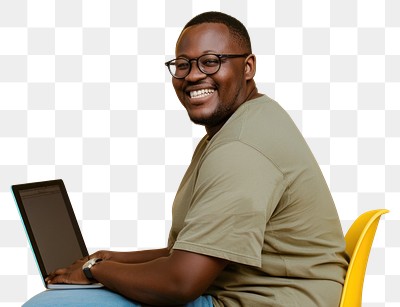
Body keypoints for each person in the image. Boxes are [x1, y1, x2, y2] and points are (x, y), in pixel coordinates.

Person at [25, 11, 348, 307]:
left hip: (263, 302)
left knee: (50, 305)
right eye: (182, 64)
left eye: (210, 61)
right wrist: (113, 259)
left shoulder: (242, 149)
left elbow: (180, 283)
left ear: (247, 67)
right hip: (255, 291)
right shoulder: (247, 122)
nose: (193, 75)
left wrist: (96, 270)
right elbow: (201, 250)